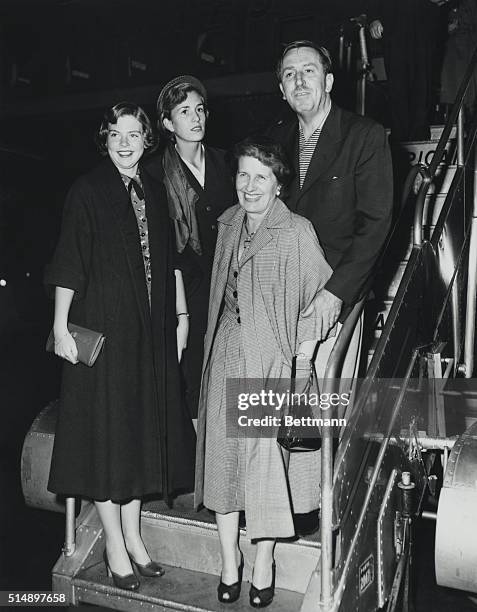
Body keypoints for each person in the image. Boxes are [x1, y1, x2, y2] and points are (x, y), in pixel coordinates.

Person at [45, 102, 196, 591]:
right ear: (105, 138)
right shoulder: (88, 189)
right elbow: (69, 261)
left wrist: (180, 317)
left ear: (147, 140)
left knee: (140, 438)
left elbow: (170, 261)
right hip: (105, 335)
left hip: (148, 335)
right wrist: (62, 326)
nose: (126, 143)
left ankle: (134, 537)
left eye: (134, 134)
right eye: (116, 134)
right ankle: (114, 544)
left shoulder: (154, 190)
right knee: (110, 442)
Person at [194, 137, 332, 608]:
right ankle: (228, 559)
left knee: (263, 469)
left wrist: (304, 356)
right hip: (226, 352)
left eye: (261, 177)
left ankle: (263, 560)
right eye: (243, 175)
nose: (249, 186)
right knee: (222, 464)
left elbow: (323, 301)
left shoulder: (295, 232)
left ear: (278, 185)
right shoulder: (228, 224)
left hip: (269, 362)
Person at [269, 40, 393, 382]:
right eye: (290, 74)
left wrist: (335, 293)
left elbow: (375, 224)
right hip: (281, 298)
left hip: (334, 296)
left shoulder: (363, 135)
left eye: (309, 71)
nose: (299, 81)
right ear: (281, 89)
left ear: (329, 82)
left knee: (323, 417)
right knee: (276, 417)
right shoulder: (274, 142)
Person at [145, 75, 234, 424]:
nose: (195, 118)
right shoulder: (154, 174)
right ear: (168, 123)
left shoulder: (228, 163)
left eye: (200, 109)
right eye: (184, 111)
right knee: (193, 380)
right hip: (188, 292)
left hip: (232, 285)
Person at [368, 1, 442, 142]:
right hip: (394, 24)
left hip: (424, 23)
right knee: (397, 84)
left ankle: (419, 135)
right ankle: (400, 138)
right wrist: (374, 18)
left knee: (422, 83)